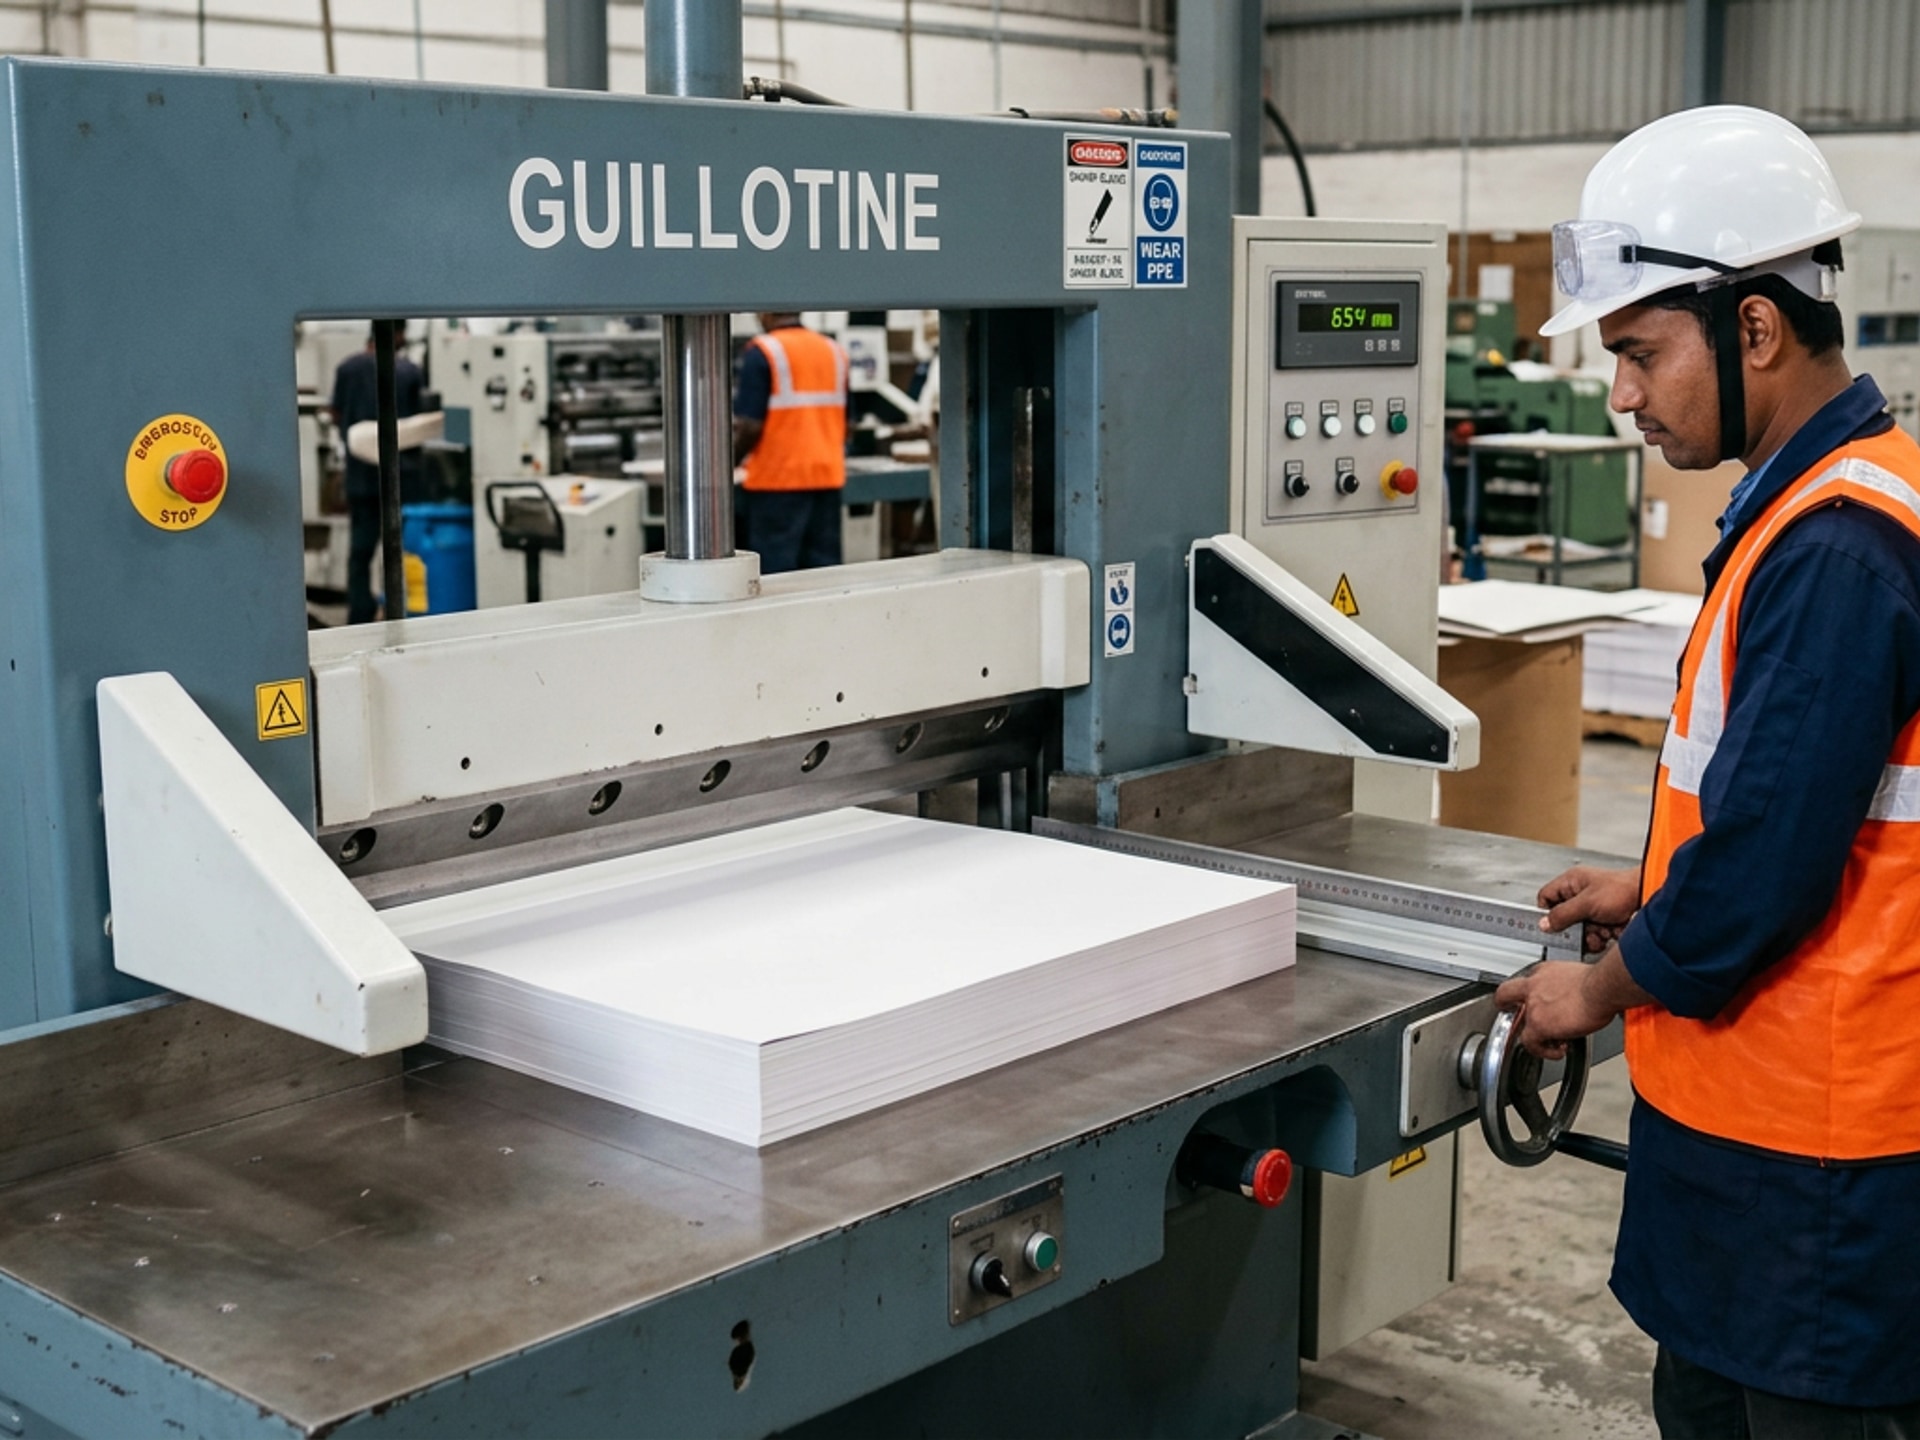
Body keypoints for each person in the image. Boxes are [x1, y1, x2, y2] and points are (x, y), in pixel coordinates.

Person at [1495, 106, 1920, 1437]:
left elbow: (1762, 870)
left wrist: (1591, 995)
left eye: (1639, 353)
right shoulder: (1821, 505)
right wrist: (1652, 880)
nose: (1622, 395)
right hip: (1761, 1143)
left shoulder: (1838, 546)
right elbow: (1804, 806)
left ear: (1756, 328)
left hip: (1816, 1170)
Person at [732, 311, 849, 573]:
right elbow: (848, 422)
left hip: (778, 481)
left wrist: (729, 462)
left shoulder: (763, 351)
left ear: (765, 313)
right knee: (824, 572)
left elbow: (750, 425)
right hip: (826, 476)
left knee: (776, 574)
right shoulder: (832, 350)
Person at [329, 324, 427, 623]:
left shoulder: (348, 368)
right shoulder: (409, 372)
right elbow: (418, 424)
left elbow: (336, 414)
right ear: (396, 334)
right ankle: (400, 612)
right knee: (401, 551)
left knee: (360, 553)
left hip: (361, 478)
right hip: (402, 477)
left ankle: (359, 615)